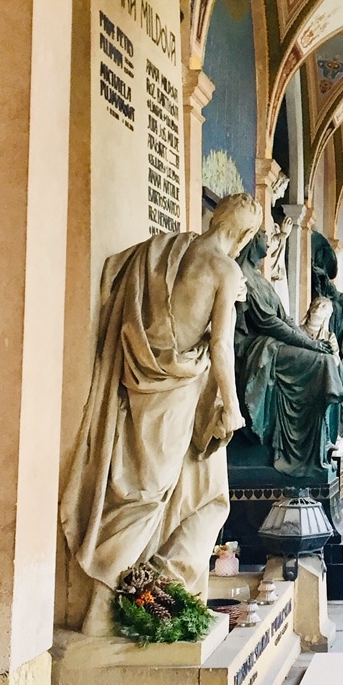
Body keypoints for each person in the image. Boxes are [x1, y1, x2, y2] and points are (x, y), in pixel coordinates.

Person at [61, 192, 263, 635]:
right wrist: (231, 406)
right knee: (147, 494)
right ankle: (105, 604)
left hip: (149, 382)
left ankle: (167, 597)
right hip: (179, 394)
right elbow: (221, 347)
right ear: (246, 235)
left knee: (203, 493)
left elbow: (115, 269)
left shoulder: (165, 248)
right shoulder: (224, 269)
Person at [231, 227, 343, 477]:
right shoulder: (243, 275)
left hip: (275, 343)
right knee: (322, 364)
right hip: (258, 348)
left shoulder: (259, 277)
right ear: (252, 241)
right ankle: (306, 453)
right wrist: (309, 344)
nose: (268, 239)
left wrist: (308, 341)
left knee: (329, 361)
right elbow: (269, 323)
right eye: (262, 235)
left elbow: (284, 319)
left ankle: (320, 445)